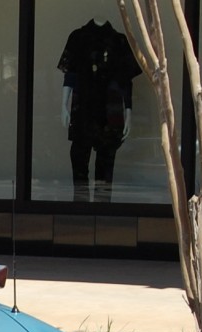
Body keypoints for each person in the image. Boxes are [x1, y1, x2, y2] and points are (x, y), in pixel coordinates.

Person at [57, 17, 141, 203]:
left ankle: (102, 209)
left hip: (109, 112)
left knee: (105, 163)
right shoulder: (78, 37)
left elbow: (126, 81)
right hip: (83, 109)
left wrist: (128, 112)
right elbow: (71, 73)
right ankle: (81, 207)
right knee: (79, 158)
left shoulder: (118, 41)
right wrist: (63, 104)